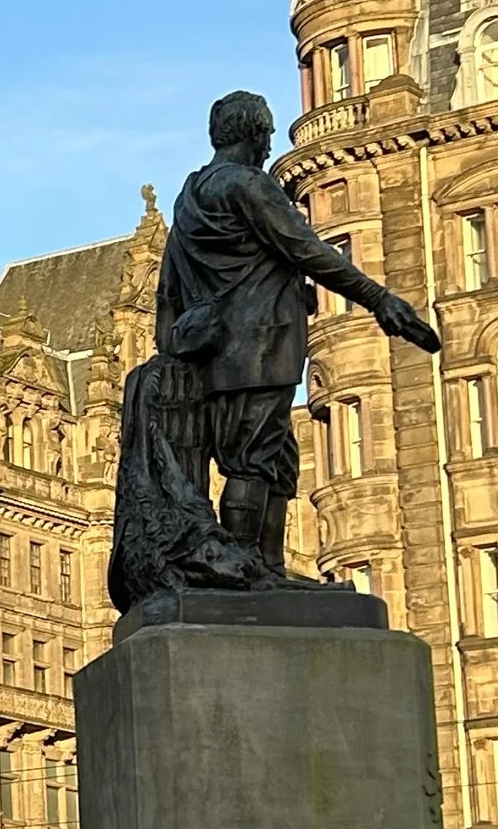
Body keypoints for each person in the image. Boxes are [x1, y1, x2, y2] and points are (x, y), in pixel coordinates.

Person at [151, 89, 440, 581]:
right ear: (254, 134)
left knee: (277, 459)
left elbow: (169, 288)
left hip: (221, 353)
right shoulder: (248, 186)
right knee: (250, 460)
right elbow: (309, 249)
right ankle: (241, 568)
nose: (268, 145)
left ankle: (269, 566)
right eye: (266, 133)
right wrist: (378, 298)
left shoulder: (190, 199)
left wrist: (174, 344)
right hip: (259, 345)